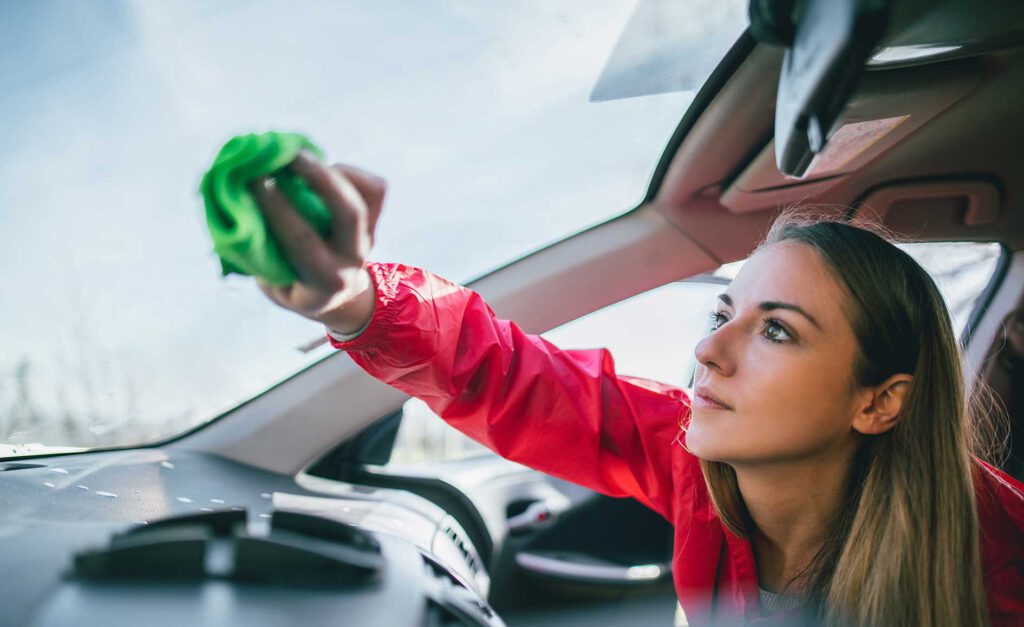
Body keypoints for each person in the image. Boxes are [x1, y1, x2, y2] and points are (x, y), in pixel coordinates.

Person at [249, 152, 1024, 626]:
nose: (708, 350)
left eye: (777, 329)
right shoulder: (689, 456)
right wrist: (353, 300)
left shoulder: (999, 549)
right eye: (726, 312)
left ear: (879, 401)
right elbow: (512, 375)